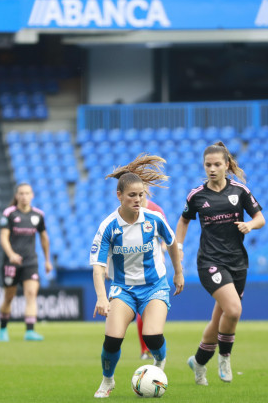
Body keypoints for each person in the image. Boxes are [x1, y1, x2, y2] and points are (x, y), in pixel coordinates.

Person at [91, 154, 184, 398]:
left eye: (141, 194)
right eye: (132, 195)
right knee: (112, 339)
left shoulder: (154, 219)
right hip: (123, 288)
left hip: (154, 286)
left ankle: (159, 364)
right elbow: (99, 267)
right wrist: (102, 297)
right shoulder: (108, 226)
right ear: (119, 195)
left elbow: (173, 244)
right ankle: (107, 381)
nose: (138, 199)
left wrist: (179, 273)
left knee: (152, 335)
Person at [177, 142, 265, 385]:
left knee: (219, 321)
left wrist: (250, 225)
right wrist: (179, 247)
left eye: (217, 164)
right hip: (210, 263)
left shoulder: (240, 191)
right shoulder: (197, 195)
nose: (212, 169)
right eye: (208, 165)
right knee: (234, 310)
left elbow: (260, 218)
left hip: (237, 263)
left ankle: (198, 362)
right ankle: (224, 358)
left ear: (227, 165)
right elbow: (184, 221)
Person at [0, 183, 51, 342]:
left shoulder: (38, 215)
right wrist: (11, 254)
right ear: (16, 196)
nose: (24, 196)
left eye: (27, 193)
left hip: (30, 262)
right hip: (11, 263)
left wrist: (47, 260)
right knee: (9, 297)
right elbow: (3, 237)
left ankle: (30, 331)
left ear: (32, 195)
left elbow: (44, 238)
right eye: (21, 193)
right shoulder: (9, 213)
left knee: (31, 294)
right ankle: (3, 328)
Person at [136, 187, 171, 360]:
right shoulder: (126, 210)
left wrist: (162, 252)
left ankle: (150, 349)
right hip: (132, 268)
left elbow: (167, 239)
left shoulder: (156, 211)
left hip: (152, 268)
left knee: (149, 310)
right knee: (138, 312)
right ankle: (145, 349)